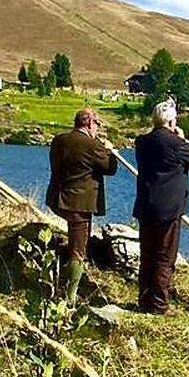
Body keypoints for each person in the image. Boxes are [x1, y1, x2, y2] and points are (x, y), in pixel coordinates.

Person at [132, 100, 189, 314]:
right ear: (171, 121)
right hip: (169, 207)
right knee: (165, 256)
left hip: (146, 204)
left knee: (147, 254)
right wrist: (181, 139)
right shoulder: (175, 143)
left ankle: (144, 300)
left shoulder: (142, 142)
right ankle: (159, 305)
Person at [45, 107, 118, 304]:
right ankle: (69, 297)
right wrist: (110, 151)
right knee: (79, 249)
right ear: (89, 123)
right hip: (79, 204)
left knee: (73, 238)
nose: (98, 128)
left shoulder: (59, 140)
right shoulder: (92, 145)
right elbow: (110, 169)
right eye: (97, 124)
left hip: (57, 198)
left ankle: (58, 277)